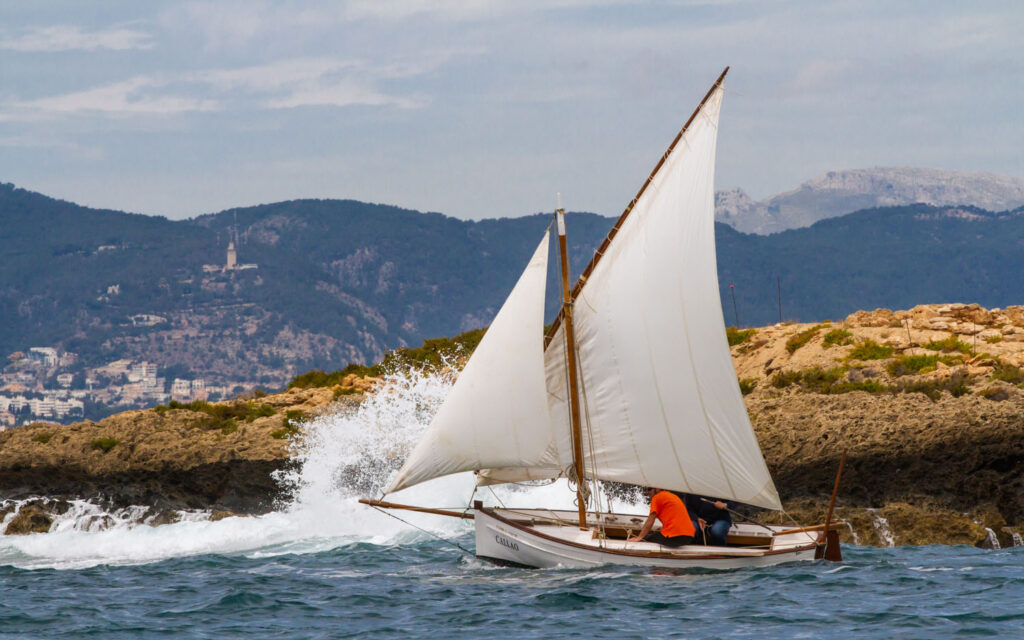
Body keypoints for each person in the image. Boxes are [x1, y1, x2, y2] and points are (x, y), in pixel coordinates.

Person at [627, 487, 696, 547]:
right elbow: (674, 516)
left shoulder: (657, 497)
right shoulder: (672, 496)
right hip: (689, 537)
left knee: (644, 539)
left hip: (675, 537)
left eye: (649, 489)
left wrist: (640, 537)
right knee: (656, 535)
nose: (647, 492)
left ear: (657, 489)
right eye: (646, 489)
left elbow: (651, 520)